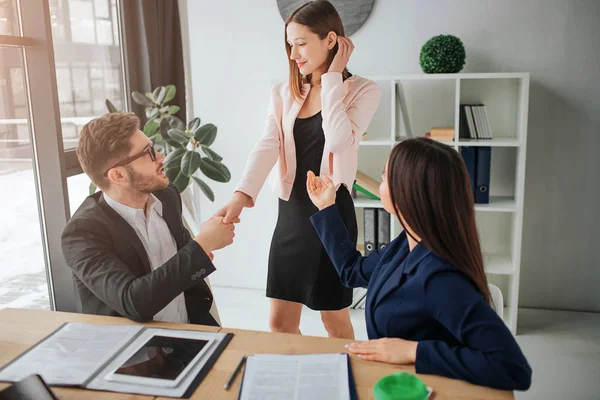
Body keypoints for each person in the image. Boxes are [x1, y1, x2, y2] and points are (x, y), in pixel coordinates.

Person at [306, 137, 532, 390]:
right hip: (393, 384)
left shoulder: (441, 278)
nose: (379, 185)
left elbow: (512, 367)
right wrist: (327, 207)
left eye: (383, 178)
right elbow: (352, 271)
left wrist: (413, 351)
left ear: (407, 192)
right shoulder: (406, 243)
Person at [215, 0, 380, 339]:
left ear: (331, 40)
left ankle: (343, 382)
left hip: (331, 212)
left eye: (301, 43)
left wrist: (332, 78)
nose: (293, 54)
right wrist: (241, 194)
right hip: (291, 212)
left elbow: (338, 141)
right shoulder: (284, 91)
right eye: (289, 45)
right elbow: (267, 144)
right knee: (279, 323)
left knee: (334, 321)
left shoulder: (364, 90)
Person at [62, 112, 236, 326]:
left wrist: (207, 239)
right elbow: (133, 301)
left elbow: (181, 256)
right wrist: (203, 245)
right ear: (118, 176)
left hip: (191, 335)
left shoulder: (166, 195)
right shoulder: (82, 233)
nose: (162, 157)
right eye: (149, 153)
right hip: (138, 352)